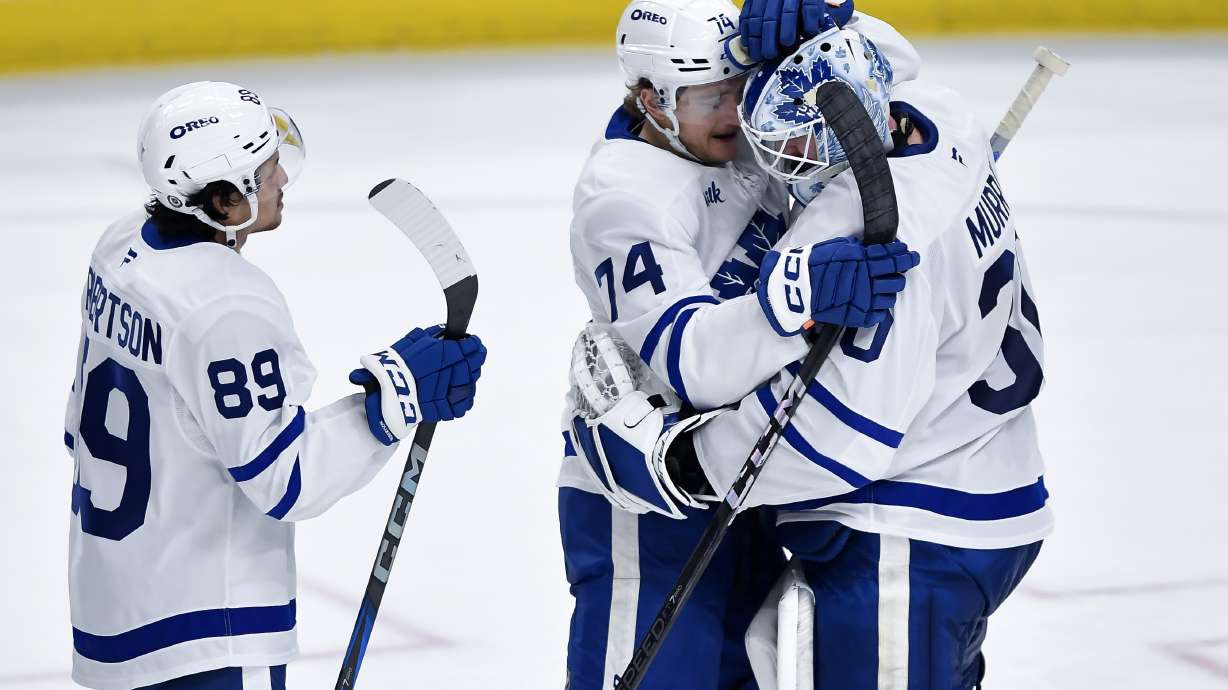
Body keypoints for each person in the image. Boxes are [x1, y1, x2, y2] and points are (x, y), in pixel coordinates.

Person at [576, 25, 1050, 690]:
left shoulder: (866, 234)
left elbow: (836, 434)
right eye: (716, 96)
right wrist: (832, 24)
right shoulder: (942, 117)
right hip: (980, 486)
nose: (747, 125)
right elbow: (892, 64)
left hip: (906, 529)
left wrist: (685, 465)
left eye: (741, 93)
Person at [63, 81, 486, 690]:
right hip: (206, 636)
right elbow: (286, 479)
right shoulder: (227, 304)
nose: (282, 177)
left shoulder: (119, 247)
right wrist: (396, 394)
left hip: (112, 603)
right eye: (263, 169)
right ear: (223, 201)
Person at [557, 2, 924, 688]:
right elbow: (694, 360)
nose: (736, 112)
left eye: (741, 87)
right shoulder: (624, 200)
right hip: (649, 495)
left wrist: (840, 27)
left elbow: (895, 79)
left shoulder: (735, 132)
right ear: (651, 101)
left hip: (747, 471)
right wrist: (799, 295)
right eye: (712, 98)